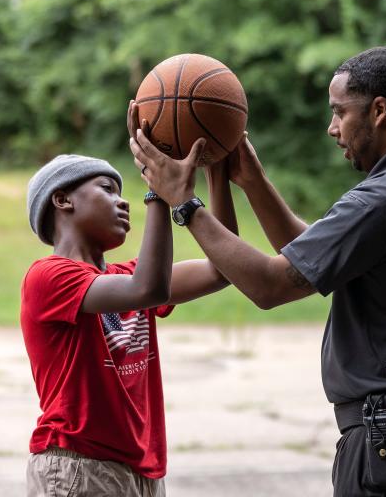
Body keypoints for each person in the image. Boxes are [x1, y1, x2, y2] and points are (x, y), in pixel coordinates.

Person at [130, 46, 386, 496]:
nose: (332, 128)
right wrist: (252, 181)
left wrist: (183, 204)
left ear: (379, 111)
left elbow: (271, 284)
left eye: (340, 112)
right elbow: (312, 258)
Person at [20, 126, 239, 497]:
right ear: (62, 200)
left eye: (123, 193)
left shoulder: (124, 277)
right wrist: (159, 190)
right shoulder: (48, 277)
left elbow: (223, 268)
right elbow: (148, 288)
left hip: (143, 470)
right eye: (107, 189)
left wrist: (215, 171)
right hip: (79, 465)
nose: (123, 202)